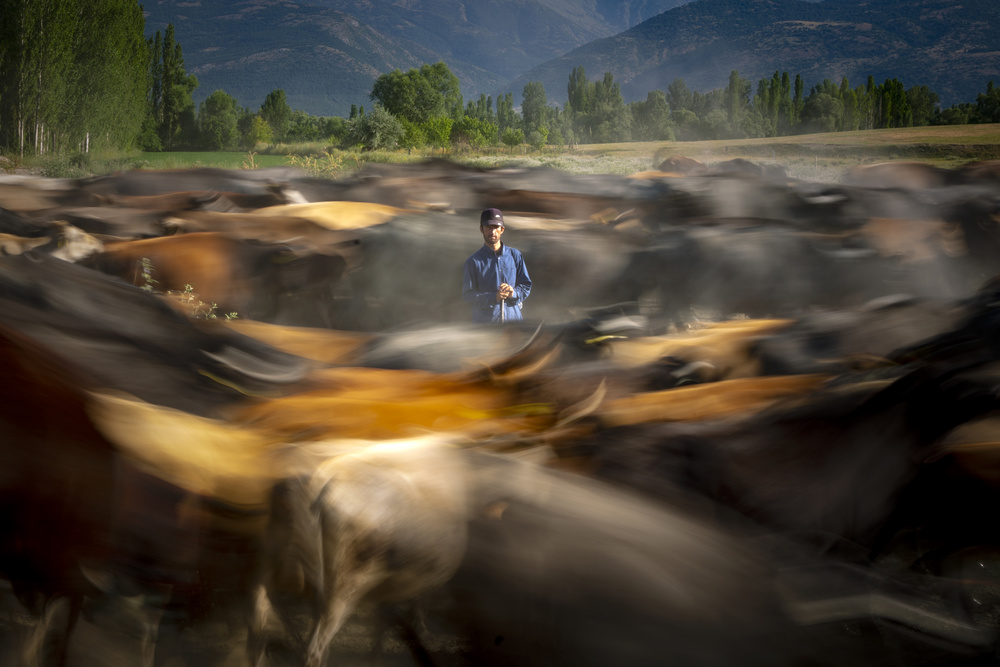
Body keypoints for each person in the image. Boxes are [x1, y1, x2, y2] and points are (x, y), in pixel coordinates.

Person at [463, 208, 531, 323]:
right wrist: (494, 297)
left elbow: (525, 286)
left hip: (513, 324)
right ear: (481, 229)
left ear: (502, 229)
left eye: (496, 227)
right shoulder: (473, 261)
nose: (492, 231)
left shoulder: (515, 256)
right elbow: (468, 296)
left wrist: (513, 293)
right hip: (486, 326)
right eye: (488, 227)